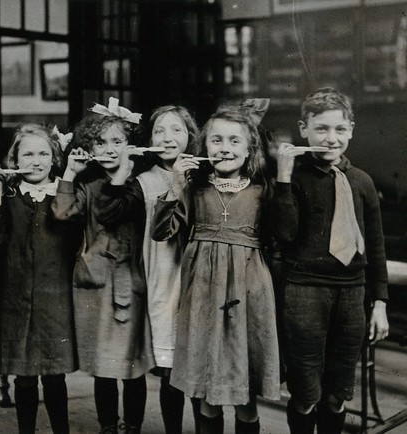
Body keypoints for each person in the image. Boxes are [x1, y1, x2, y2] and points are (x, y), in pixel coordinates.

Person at [152, 104, 280, 434]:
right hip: (203, 295)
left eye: (235, 141)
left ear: (250, 148)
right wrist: (177, 184)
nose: (225, 148)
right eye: (217, 140)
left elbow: (279, 240)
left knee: (245, 394)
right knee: (207, 390)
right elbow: (161, 231)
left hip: (248, 295)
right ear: (204, 146)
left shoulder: (263, 191)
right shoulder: (194, 189)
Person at [273, 87, 389, 434]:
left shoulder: (362, 182)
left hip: (352, 295)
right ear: (303, 128)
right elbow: (285, 234)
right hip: (304, 291)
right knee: (306, 392)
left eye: (339, 130)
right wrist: (282, 177)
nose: (331, 138)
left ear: (351, 129)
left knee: (337, 393)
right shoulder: (293, 177)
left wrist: (380, 302)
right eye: (321, 128)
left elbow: (376, 246)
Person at [52, 98, 155, 434]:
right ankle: (108, 427)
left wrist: (124, 173)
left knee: (132, 364)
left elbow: (116, 210)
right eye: (101, 142)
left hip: (131, 282)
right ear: (89, 145)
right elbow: (62, 213)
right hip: (95, 284)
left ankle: (134, 427)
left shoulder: (138, 184)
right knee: (104, 366)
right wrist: (70, 172)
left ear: (132, 146)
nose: (109, 149)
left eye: (117, 142)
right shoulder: (89, 186)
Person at [98, 105, 200, 433]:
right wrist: (123, 167)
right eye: (159, 131)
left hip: (199, 278)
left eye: (176, 130)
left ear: (190, 136)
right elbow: (109, 212)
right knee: (170, 369)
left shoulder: (205, 175)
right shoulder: (143, 181)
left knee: (198, 368)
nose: (167, 137)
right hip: (162, 279)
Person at [0, 124, 80, 434]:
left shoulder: (65, 195)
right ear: (14, 160)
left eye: (43, 154)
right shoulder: (10, 197)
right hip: (16, 297)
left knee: (54, 375)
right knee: (23, 376)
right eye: (27, 154)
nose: (36, 161)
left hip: (55, 298)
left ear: (55, 159)